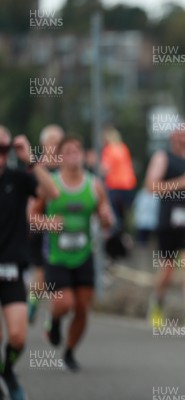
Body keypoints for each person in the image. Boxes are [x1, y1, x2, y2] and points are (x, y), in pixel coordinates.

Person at [31, 136, 113, 372]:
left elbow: (106, 221)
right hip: (57, 256)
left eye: (77, 149)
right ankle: (54, 321)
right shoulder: (51, 185)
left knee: (82, 308)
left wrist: (106, 219)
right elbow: (32, 217)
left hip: (85, 254)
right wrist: (47, 223)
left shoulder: (94, 185)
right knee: (64, 302)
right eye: (68, 151)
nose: (74, 154)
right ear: (60, 157)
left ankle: (69, 351)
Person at [0, 125, 59, 400]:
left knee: (18, 338)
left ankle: (8, 371)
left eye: (4, 150)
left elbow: (52, 192)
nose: (0, 156)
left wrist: (30, 160)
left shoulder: (17, 178)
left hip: (12, 270)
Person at [145, 123, 185, 337]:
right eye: (179, 134)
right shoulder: (163, 157)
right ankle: (157, 301)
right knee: (167, 271)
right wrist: (180, 183)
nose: (183, 138)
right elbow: (151, 186)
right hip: (167, 223)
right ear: (172, 136)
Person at [28, 124, 65, 324]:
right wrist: (43, 223)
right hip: (42, 229)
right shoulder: (37, 169)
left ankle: (53, 316)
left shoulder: (67, 169)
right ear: (43, 144)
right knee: (42, 273)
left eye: (59, 142)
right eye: (52, 142)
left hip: (63, 231)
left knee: (57, 277)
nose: (56, 146)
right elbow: (31, 207)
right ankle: (33, 303)